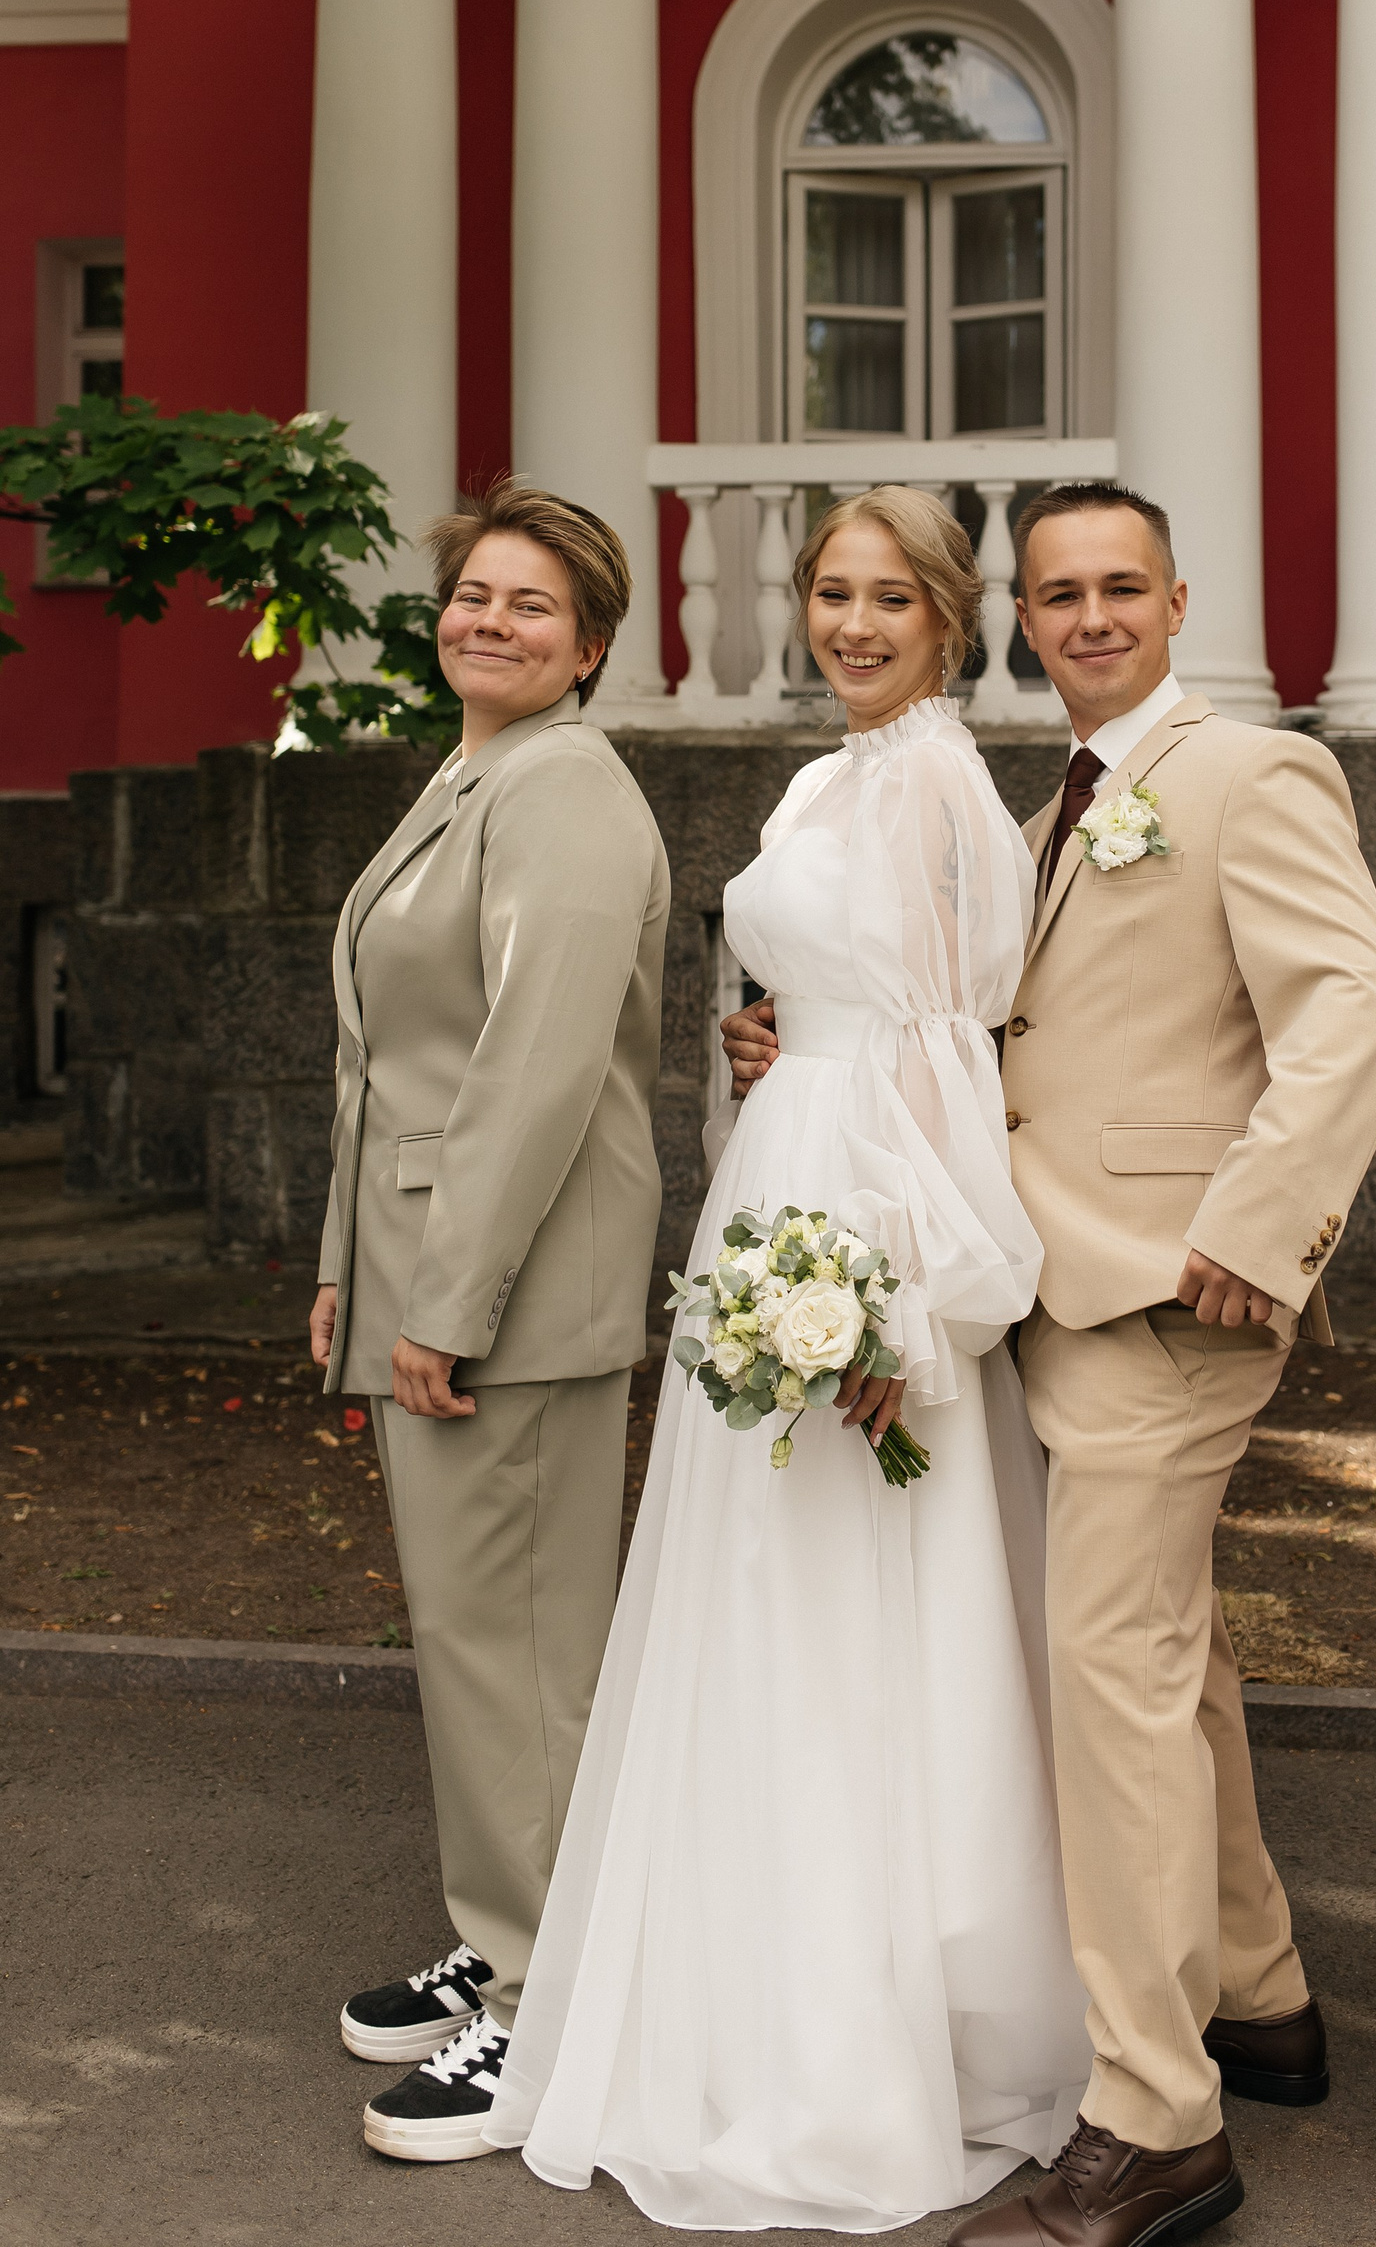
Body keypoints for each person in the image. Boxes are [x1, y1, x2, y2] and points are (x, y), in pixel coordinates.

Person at [730, 480, 1376, 2247]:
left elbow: (1354, 1003)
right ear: (1022, 622)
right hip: (1052, 1286)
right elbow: (975, 1038)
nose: (1091, 616)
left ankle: (1156, 2120)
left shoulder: (1252, 773)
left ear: (1179, 601)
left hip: (1178, 1292)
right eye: (1060, 594)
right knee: (1168, 1663)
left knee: (1109, 1684)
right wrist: (801, 1050)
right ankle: (1259, 1998)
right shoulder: (1048, 809)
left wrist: (1260, 1231)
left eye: (1122, 587)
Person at [485, 486, 1091, 2227]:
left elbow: (951, 1049)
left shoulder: (944, 787)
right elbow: (839, 1000)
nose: (853, 624)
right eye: (832, 591)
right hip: (783, 1172)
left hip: (869, 1217)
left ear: (949, 618)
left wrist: (908, 1304)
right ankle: (734, 1990)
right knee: (750, 1589)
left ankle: (866, 2035)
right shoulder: (828, 778)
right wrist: (775, 1041)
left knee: (855, 1604)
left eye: (890, 598)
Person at [307, 480, 670, 2165]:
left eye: (534, 605)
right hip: (437, 1273)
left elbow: (532, 1071)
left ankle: (546, 2009)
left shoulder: (567, 788)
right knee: (476, 1650)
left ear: (590, 646)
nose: (491, 622)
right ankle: (506, 1930)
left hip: (513, 1297)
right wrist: (349, 1263)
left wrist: (444, 1299)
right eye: (474, 595)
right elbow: (392, 1063)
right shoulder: (474, 775)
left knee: (523, 1661)